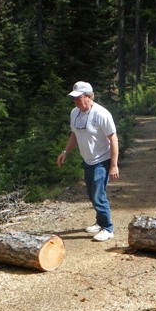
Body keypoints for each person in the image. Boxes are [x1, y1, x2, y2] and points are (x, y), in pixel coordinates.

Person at [56, 81, 120, 241]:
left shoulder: (101, 114)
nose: (75, 101)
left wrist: (113, 165)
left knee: (98, 195)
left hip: (102, 161)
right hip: (88, 161)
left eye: (79, 97)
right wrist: (65, 152)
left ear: (89, 97)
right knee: (92, 194)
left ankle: (108, 228)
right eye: (74, 98)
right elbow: (74, 135)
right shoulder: (74, 113)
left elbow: (113, 138)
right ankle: (100, 222)